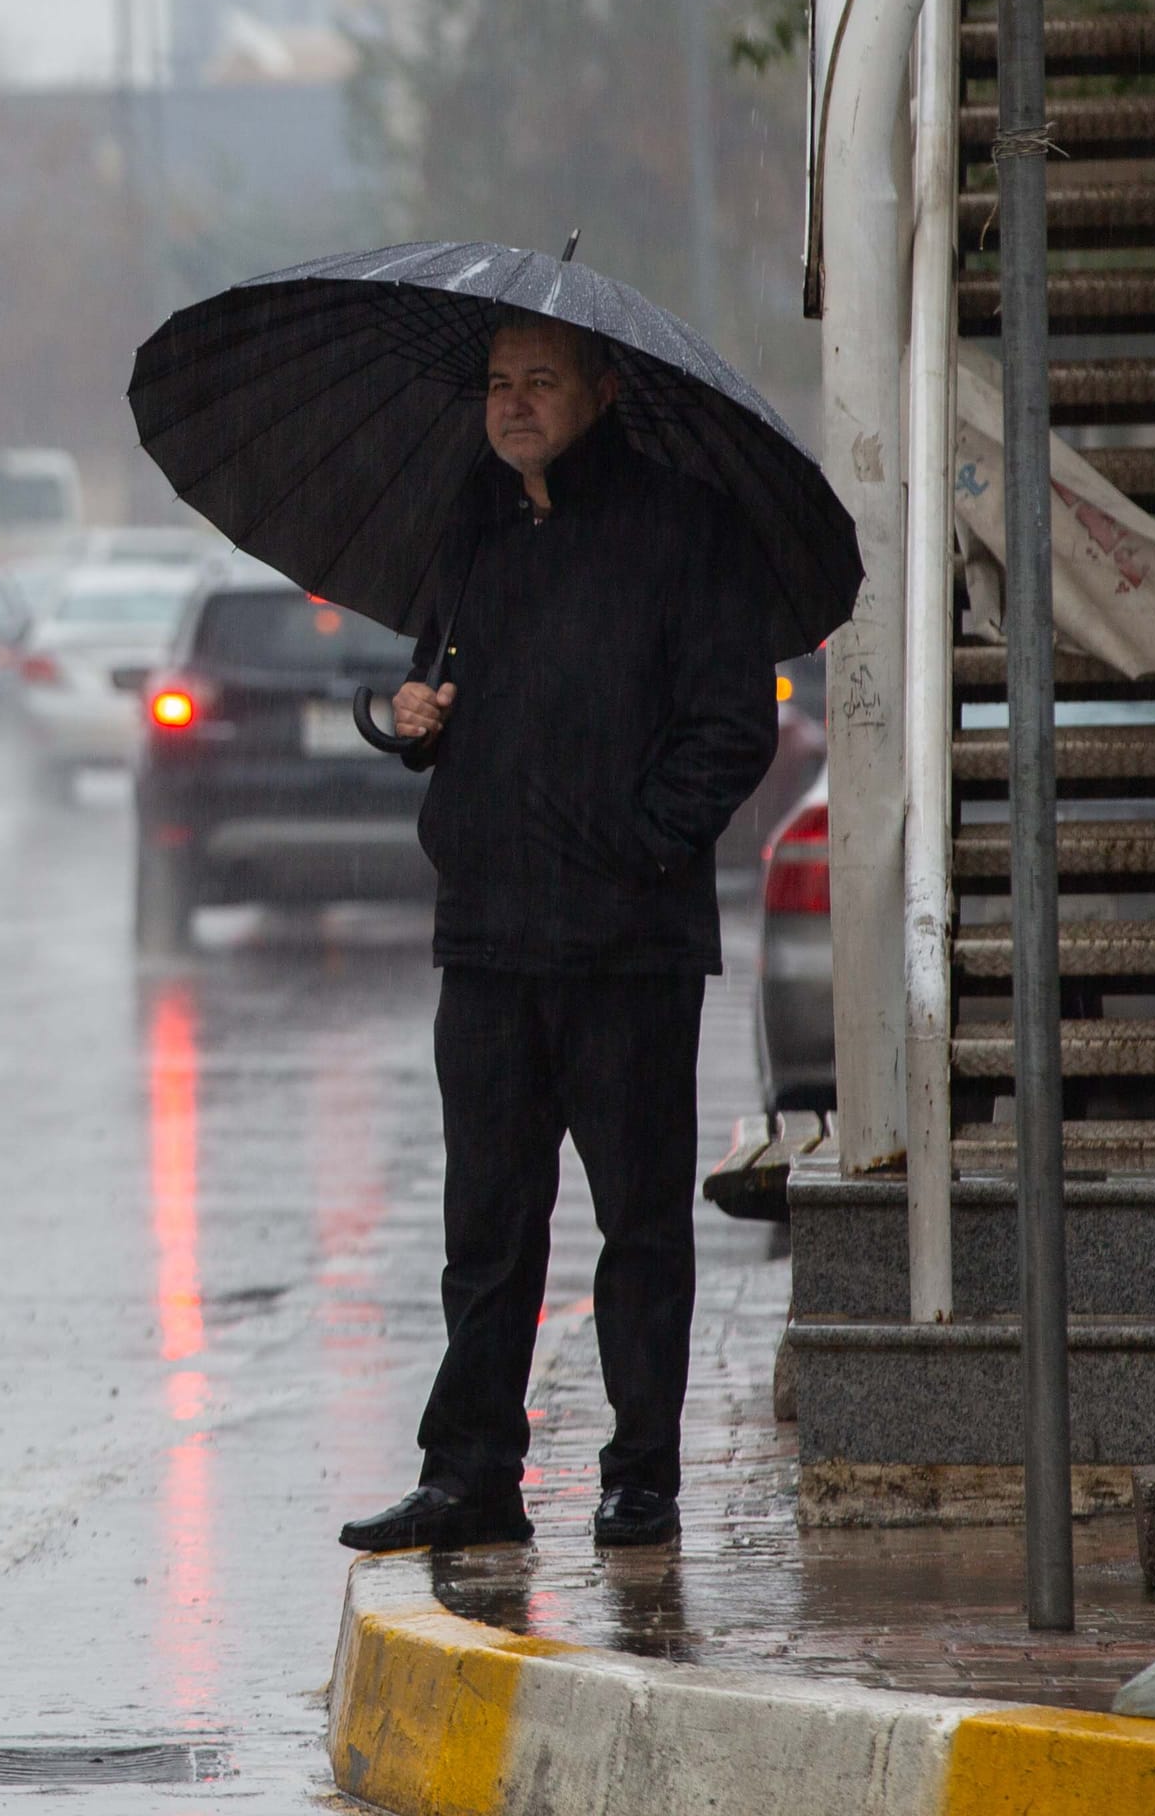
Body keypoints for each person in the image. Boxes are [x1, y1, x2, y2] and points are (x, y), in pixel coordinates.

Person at [339, 315, 777, 1557]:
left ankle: (643, 1477)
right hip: (485, 936)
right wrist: (415, 718)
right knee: (485, 1224)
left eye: (540, 381)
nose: (514, 404)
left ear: (600, 391)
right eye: (497, 383)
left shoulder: (685, 528)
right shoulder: (470, 524)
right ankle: (471, 1472)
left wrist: (637, 841)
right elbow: (440, 682)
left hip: (627, 945)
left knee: (638, 1226)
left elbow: (732, 726)